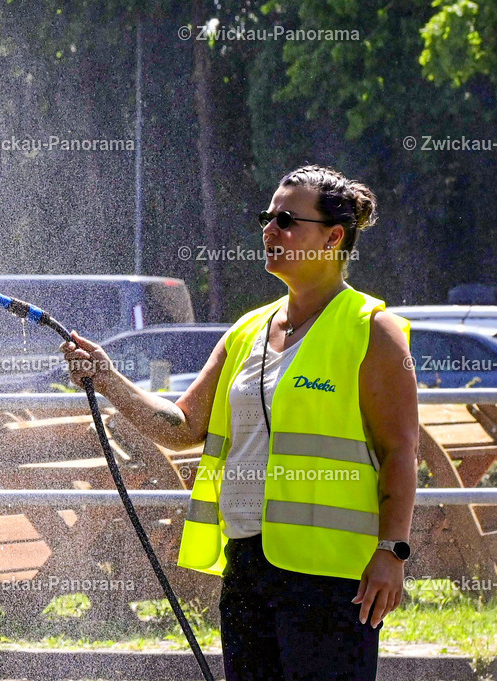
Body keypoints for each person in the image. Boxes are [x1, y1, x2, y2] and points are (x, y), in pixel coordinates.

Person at [61, 165, 418, 680]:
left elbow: (400, 452)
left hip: (334, 575)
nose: (269, 230)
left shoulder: (373, 330)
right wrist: (107, 377)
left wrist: (392, 552)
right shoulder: (247, 329)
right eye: (267, 217)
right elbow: (182, 426)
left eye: (288, 220)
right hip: (248, 567)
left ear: (334, 236)